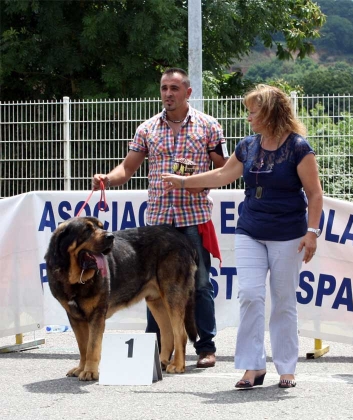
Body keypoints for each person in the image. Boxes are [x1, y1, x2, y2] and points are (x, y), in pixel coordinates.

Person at [162, 84, 323, 389]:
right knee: (249, 295)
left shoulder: (299, 147)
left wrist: (312, 233)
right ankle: (252, 367)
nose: (248, 117)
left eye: (253, 111)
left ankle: (286, 367)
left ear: (271, 113)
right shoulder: (247, 146)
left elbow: (314, 194)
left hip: (288, 234)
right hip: (250, 230)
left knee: (284, 300)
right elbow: (223, 175)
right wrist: (184, 181)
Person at [92, 68, 228, 369]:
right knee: (150, 287)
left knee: (201, 285)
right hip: (157, 224)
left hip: (194, 218)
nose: (168, 93)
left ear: (188, 93)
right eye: (164, 88)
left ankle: (206, 348)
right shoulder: (147, 129)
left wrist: (197, 180)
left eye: (175, 88)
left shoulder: (209, 127)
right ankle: (151, 351)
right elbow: (126, 169)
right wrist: (107, 179)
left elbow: (224, 170)